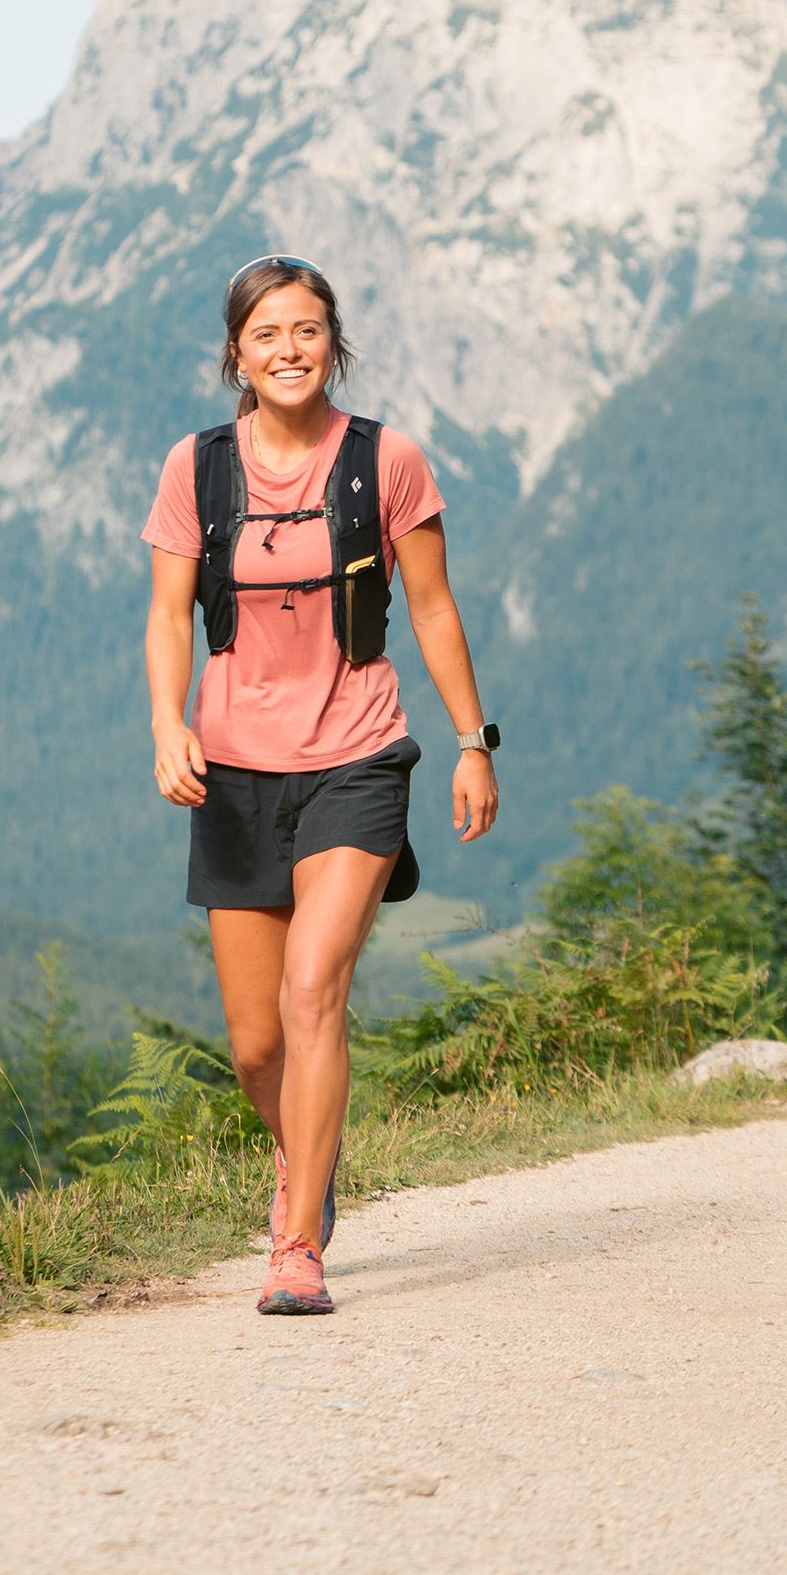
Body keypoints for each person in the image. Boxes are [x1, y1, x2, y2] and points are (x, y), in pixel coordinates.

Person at [144, 253, 500, 1316]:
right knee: (256, 1044)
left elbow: (432, 608)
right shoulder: (197, 469)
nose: (288, 351)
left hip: (358, 756)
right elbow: (167, 615)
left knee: (314, 994)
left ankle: (296, 1248)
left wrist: (472, 741)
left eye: (306, 331)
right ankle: (309, 1155)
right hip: (235, 771)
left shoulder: (386, 461)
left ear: (331, 342)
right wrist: (168, 724)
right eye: (266, 336)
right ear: (236, 357)